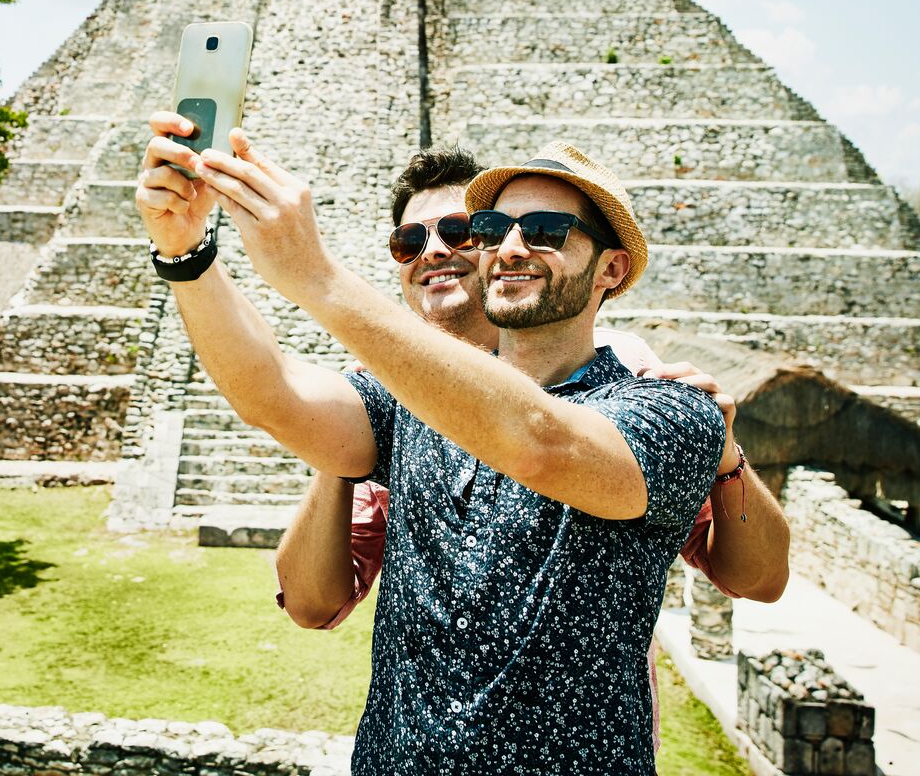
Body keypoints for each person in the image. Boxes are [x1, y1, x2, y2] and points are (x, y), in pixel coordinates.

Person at [138, 120, 729, 775]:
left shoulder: (672, 405)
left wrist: (317, 277)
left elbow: (539, 443)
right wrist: (189, 257)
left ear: (608, 269)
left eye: (539, 233)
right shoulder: (408, 402)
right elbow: (272, 394)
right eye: (495, 231)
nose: (502, 249)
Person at [270, 146, 791, 749]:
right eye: (409, 241)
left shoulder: (633, 386)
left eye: (462, 231)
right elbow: (311, 602)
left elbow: (755, 576)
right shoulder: (386, 400)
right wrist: (348, 444)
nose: (434, 252)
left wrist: (727, 460)